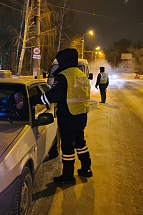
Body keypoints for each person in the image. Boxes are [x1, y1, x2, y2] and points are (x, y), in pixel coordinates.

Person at [31, 48, 92, 184]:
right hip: (81, 115)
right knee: (80, 142)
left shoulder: (64, 76)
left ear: (64, 60)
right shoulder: (81, 75)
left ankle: (68, 176)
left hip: (68, 116)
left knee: (67, 146)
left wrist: (35, 100)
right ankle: (86, 168)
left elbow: (52, 96)